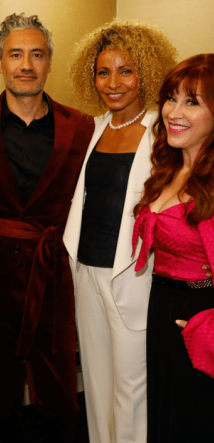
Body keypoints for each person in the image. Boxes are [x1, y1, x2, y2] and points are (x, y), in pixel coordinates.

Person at [0, 13, 94, 443]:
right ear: (0, 63)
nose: (26, 64)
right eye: (16, 55)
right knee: (0, 398)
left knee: (61, 400)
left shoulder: (81, 126)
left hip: (54, 277)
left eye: (36, 54)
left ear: (49, 63)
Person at [63, 20, 177, 443]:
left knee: (131, 388)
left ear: (145, 73)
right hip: (87, 272)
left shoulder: (164, 132)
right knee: (95, 383)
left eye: (125, 70)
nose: (113, 83)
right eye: (103, 72)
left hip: (136, 277)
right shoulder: (91, 130)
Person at [132, 53, 214, 443]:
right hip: (162, 309)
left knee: (193, 424)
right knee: (163, 420)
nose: (173, 111)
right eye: (171, 98)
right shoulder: (170, 167)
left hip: (199, 317)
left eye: (192, 101)